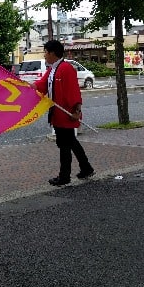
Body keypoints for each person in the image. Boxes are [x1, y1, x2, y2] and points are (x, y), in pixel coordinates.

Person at [33, 40, 94, 186]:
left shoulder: (66, 68)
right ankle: (86, 168)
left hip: (67, 114)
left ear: (53, 53)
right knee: (70, 142)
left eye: (46, 52)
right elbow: (42, 84)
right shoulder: (53, 69)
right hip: (57, 114)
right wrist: (28, 86)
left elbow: (74, 92)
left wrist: (76, 111)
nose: (45, 55)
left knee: (65, 146)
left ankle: (64, 177)